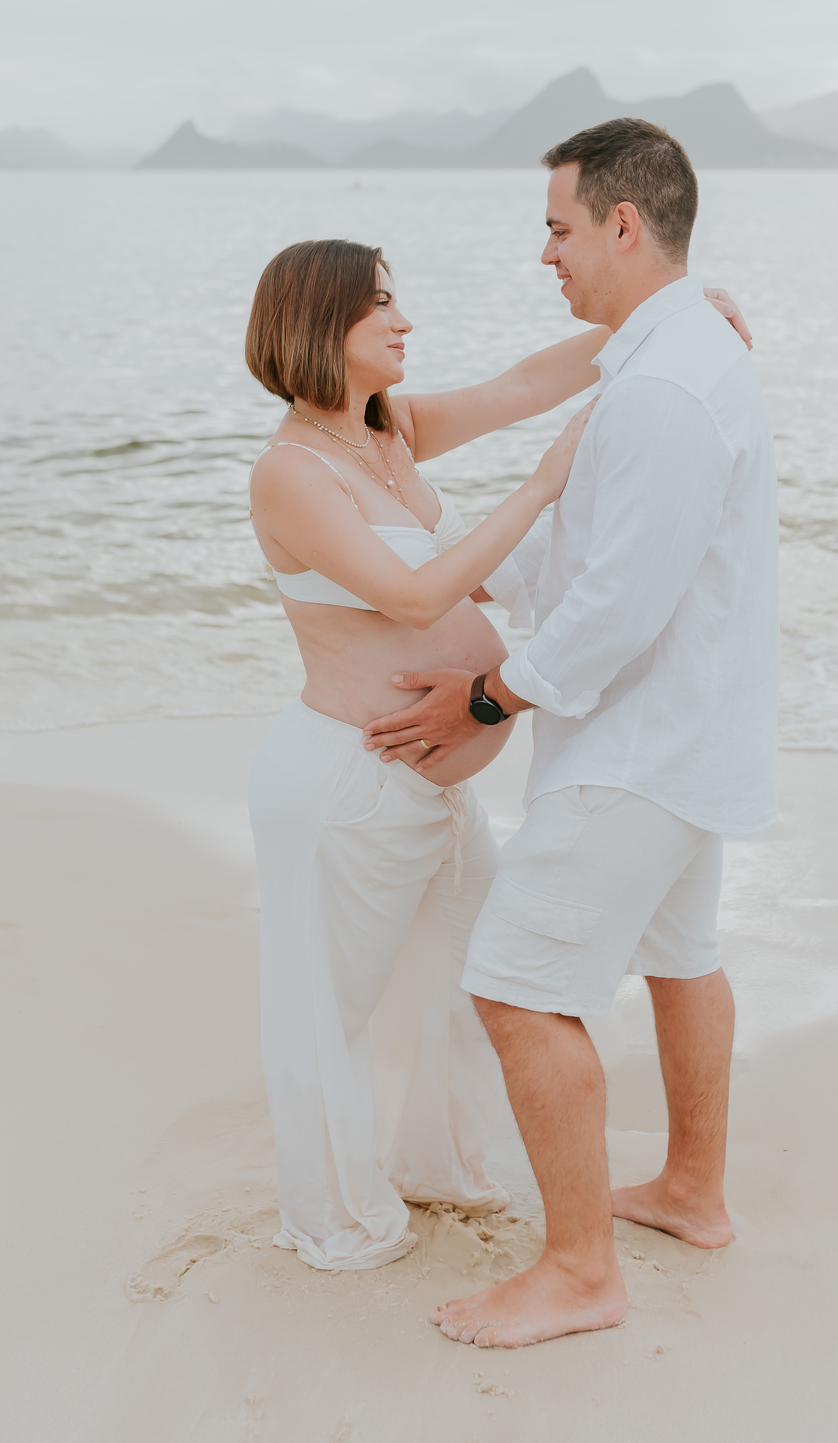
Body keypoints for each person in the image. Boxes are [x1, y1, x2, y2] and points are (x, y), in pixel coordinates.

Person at [243, 237, 749, 1273]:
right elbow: (417, 595)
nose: (404, 320)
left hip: (426, 793)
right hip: (344, 781)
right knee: (324, 1009)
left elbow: (528, 380)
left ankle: (445, 1164)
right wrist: (544, 484)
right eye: (379, 305)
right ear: (316, 323)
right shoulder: (292, 474)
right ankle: (337, 1218)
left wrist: (668, 311)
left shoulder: (391, 429)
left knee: (464, 979)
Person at [362, 119, 780, 1346]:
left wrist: (486, 699)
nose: (543, 252)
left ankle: (581, 1269)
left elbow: (615, 606)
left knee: (515, 984)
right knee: (681, 950)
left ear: (622, 224)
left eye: (556, 227)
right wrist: (477, 571)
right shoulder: (681, 348)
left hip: (639, 749)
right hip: (693, 733)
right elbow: (599, 548)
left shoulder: (659, 384)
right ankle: (693, 1193)